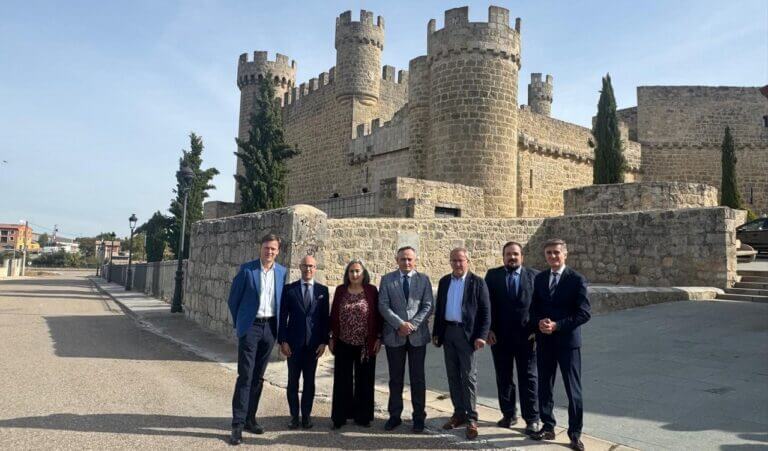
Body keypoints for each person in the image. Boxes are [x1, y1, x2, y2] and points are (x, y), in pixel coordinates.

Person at [530, 238, 591, 451]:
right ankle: (548, 425)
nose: (553, 256)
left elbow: (584, 313)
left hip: (568, 343)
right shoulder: (540, 279)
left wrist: (557, 325)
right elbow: (535, 306)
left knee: (573, 390)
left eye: (556, 252)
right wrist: (539, 321)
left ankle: (575, 434)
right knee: (544, 386)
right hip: (545, 341)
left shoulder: (577, 280)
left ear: (565, 254)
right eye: (549, 253)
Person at [227, 234, 288, 445]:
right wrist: (241, 325)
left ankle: (250, 419)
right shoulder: (247, 270)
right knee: (245, 375)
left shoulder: (281, 272)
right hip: (251, 327)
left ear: (278, 251)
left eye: (273, 249)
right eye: (266, 248)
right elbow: (233, 300)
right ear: (260, 248)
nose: (269, 251)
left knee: (258, 377)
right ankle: (237, 424)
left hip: (270, 328)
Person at [432, 247, 490, 440]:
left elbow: (485, 312)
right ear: (450, 262)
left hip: (467, 335)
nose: (457, 264)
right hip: (448, 332)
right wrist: (437, 333)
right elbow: (440, 309)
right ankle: (458, 413)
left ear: (468, 261)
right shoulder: (445, 281)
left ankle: (472, 418)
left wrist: (481, 336)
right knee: (453, 375)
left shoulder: (477, 282)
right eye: (454, 260)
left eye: (461, 260)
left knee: (468, 377)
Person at [485, 241, 540, 436]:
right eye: (508, 254)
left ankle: (532, 419)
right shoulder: (493, 276)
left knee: (529, 378)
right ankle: (509, 414)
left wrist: (537, 330)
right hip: (499, 338)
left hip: (528, 338)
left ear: (522, 257)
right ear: (503, 257)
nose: (512, 257)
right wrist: (488, 330)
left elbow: (541, 305)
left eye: (515, 254)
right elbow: (487, 305)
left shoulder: (534, 276)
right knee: (504, 377)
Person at [378, 246, 434, 433]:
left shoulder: (423, 279)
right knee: (395, 379)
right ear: (397, 260)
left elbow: (428, 305)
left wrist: (412, 325)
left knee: (418, 379)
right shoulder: (387, 280)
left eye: (409, 259)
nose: (406, 262)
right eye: (403, 259)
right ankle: (395, 416)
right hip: (395, 336)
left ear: (415, 260)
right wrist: (400, 324)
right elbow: (383, 305)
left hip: (417, 337)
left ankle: (419, 417)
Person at [277, 254, 329, 430]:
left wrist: (324, 342)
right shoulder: (289, 290)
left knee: (309, 382)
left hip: (313, 346)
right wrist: (282, 340)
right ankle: (294, 416)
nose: (308, 269)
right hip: (293, 345)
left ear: (315, 269)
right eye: (305, 266)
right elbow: (283, 317)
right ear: (300, 267)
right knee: (293, 381)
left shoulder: (322, 291)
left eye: (312, 266)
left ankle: (306, 416)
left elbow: (324, 319)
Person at [329, 259, 382, 429]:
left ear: (364, 273)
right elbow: (333, 315)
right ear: (347, 274)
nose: (354, 274)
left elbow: (378, 315)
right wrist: (330, 337)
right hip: (343, 342)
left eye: (358, 271)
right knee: (342, 380)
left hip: (365, 344)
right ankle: (340, 417)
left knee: (364, 380)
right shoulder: (340, 290)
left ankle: (363, 416)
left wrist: (378, 338)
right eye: (351, 271)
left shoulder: (372, 291)